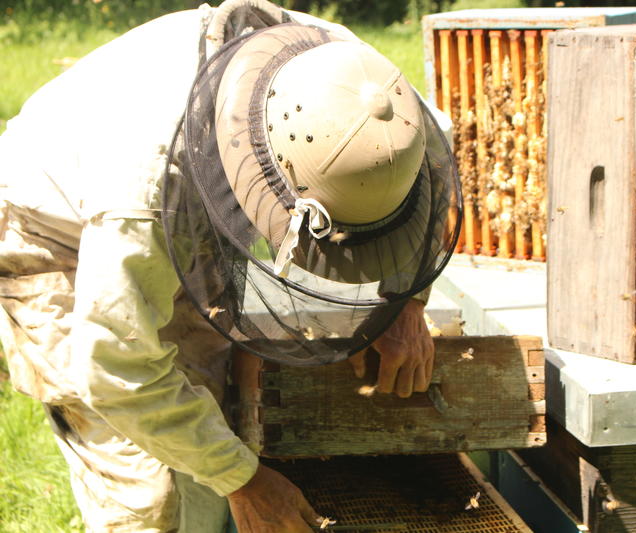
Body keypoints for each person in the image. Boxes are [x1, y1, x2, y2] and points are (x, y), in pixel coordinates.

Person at [0, 1, 461, 532]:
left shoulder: (370, 95)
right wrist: (247, 482)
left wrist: (405, 300)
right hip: (52, 228)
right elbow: (115, 367)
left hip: (162, 198)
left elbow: (437, 165)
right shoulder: (146, 192)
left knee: (207, 423)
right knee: (147, 496)